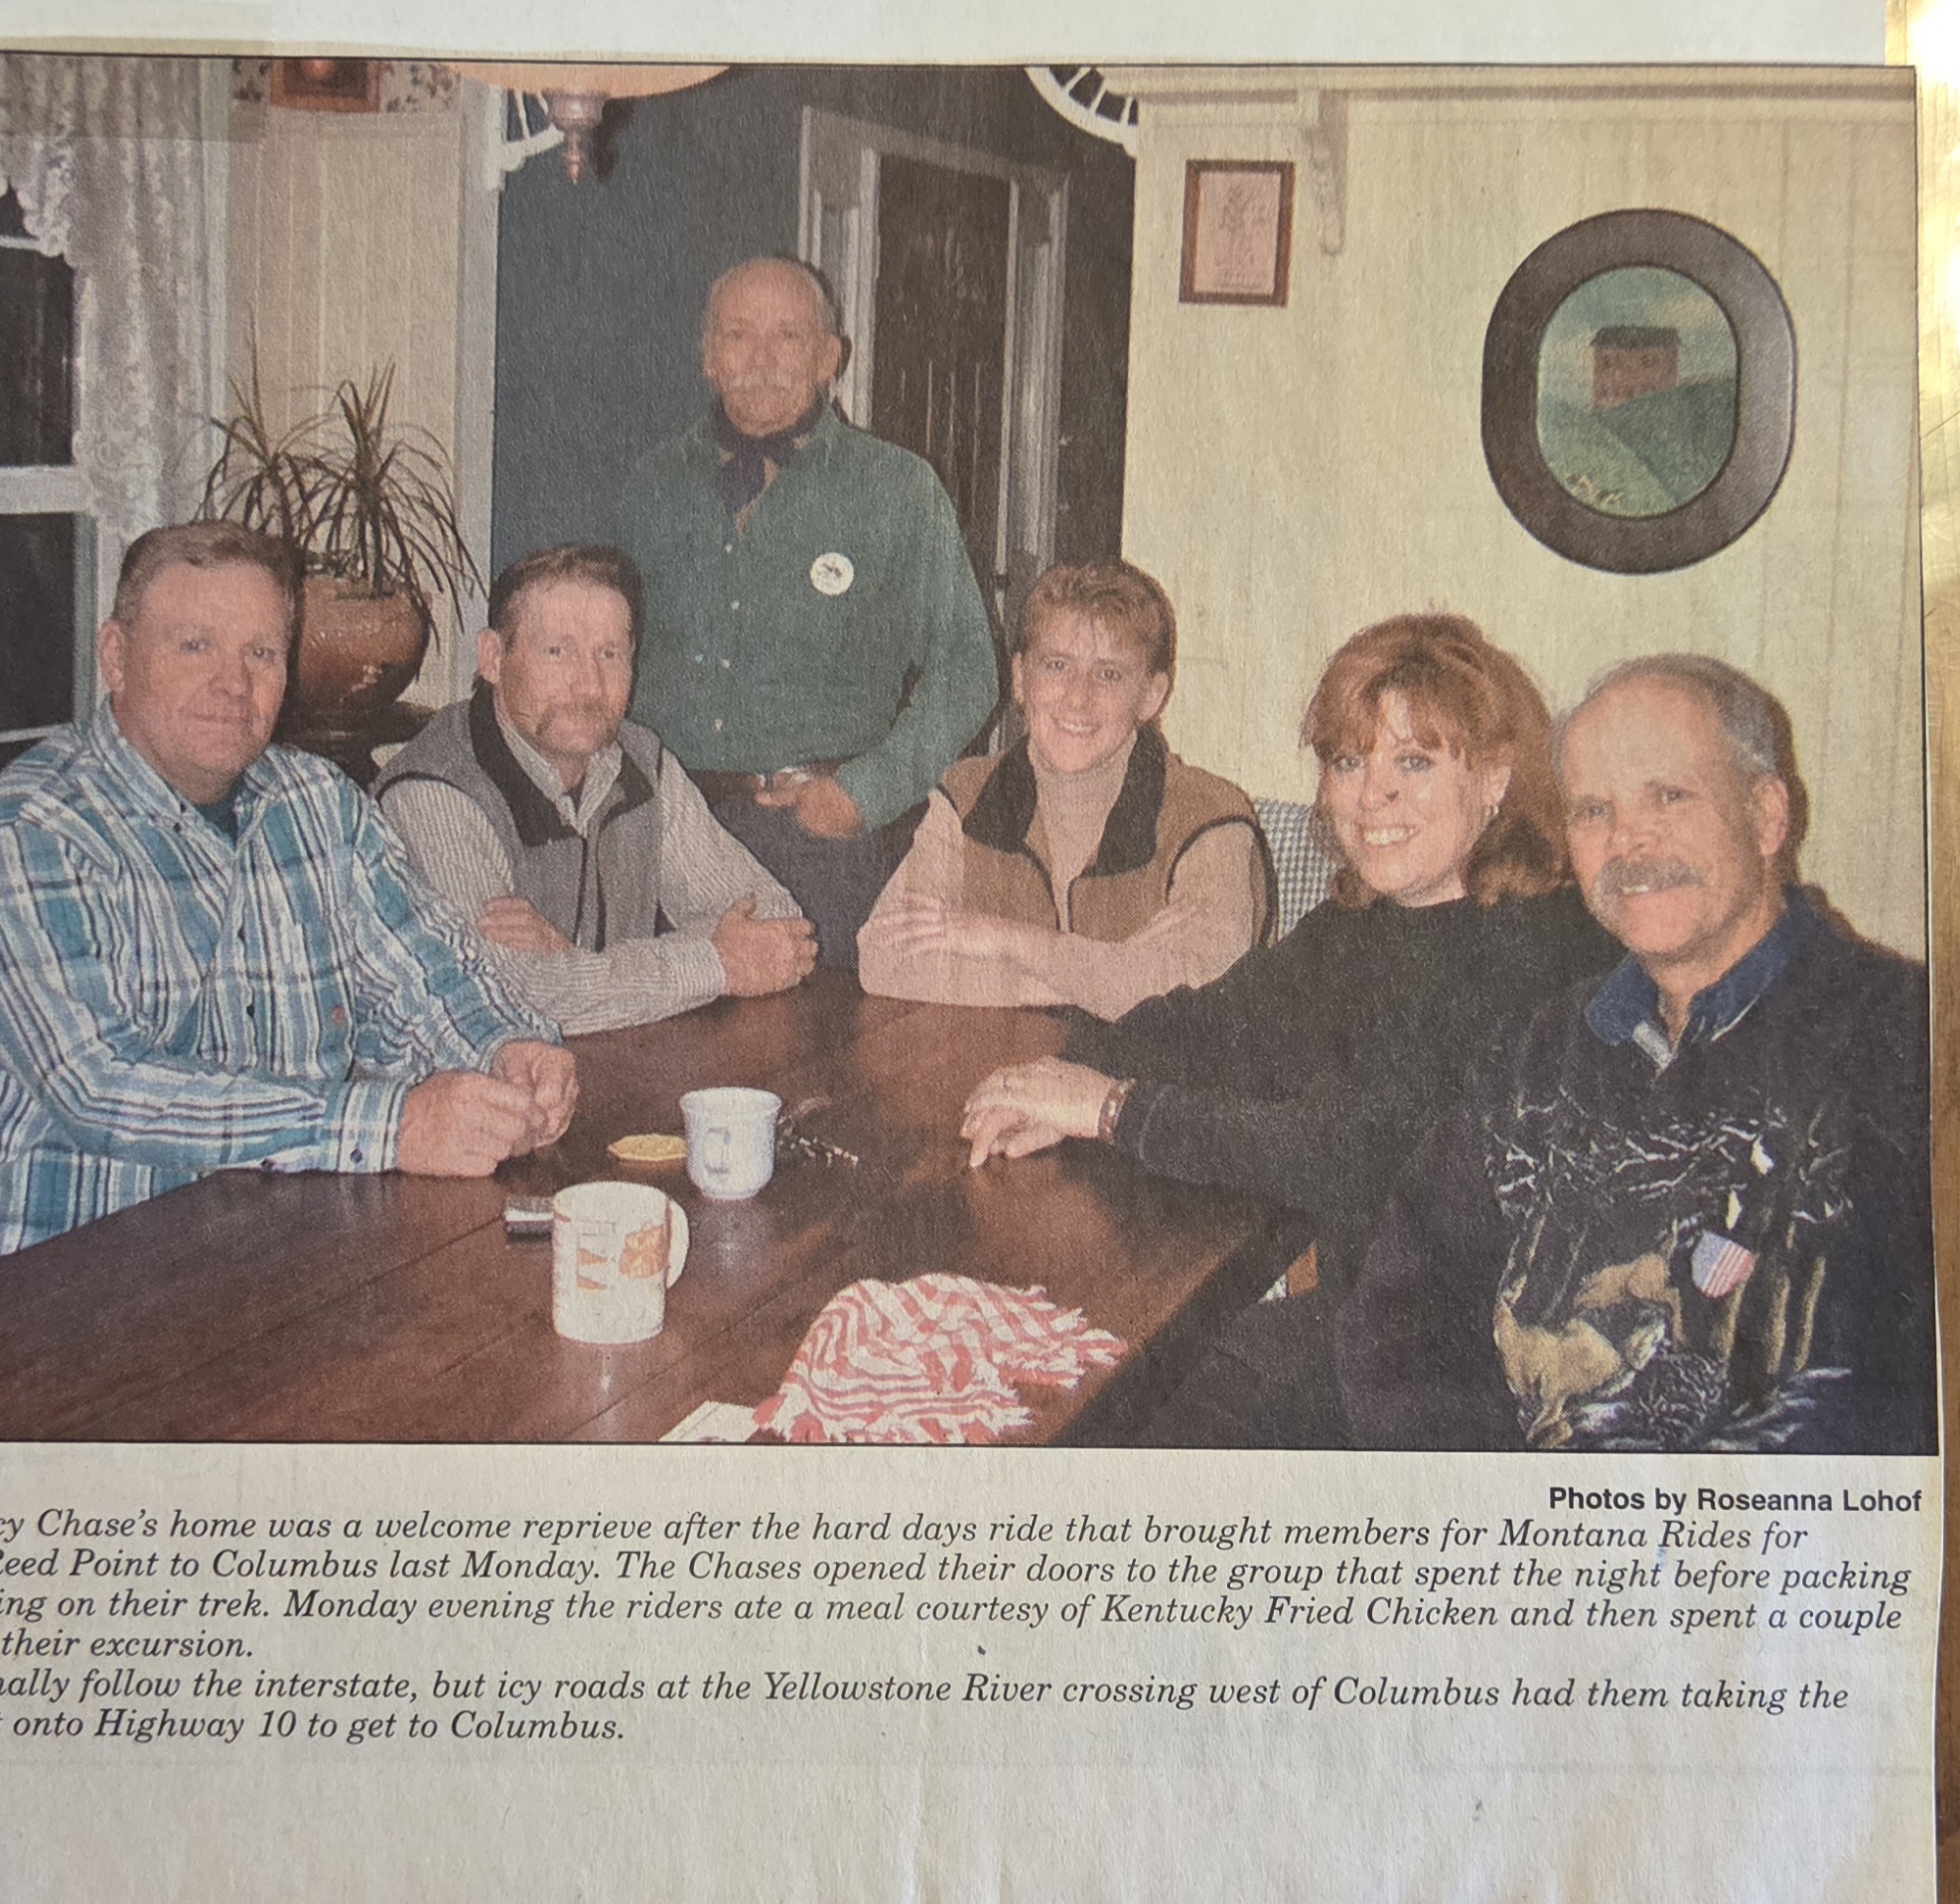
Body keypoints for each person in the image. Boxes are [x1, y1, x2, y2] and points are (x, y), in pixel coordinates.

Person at [956, 613, 1617, 1446]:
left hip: (1493, 1378)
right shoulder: (1367, 925)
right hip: (1380, 1325)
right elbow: (1215, 1026)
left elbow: (1350, 1150)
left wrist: (1112, 1108)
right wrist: (1055, 1080)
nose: (1372, 796)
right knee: (1068, 1383)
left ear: (1494, 777)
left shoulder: (1537, 946)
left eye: (1413, 762)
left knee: (1105, 1419)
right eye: (1349, 761)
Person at [0, 521, 577, 1291]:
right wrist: (392, 1125)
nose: (233, 684)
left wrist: (505, 1049)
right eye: (194, 646)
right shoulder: (25, 838)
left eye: (260, 653)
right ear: (116, 657)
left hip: (259, 1261)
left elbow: (429, 978)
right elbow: (104, 1089)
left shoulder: (317, 804)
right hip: (28, 1294)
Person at [1339, 657, 1932, 1454]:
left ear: (1766, 816)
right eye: (1594, 810)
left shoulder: (1907, 1049)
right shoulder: (1538, 1049)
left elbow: (1897, 1404)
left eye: (1670, 796)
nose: (1628, 841)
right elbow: (1401, 1313)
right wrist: (1496, 1504)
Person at [613, 255, 999, 965]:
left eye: (788, 337)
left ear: (829, 358)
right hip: (665, 837)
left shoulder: (897, 490)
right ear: (708, 357)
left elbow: (969, 669)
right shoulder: (649, 487)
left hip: (823, 848)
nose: (761, 359)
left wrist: (866, 794)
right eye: (738, 335)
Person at [373, 545, 815, 1035]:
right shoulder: (434, 792)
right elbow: (500, 994)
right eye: (557, 652)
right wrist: (714, 964)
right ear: (493, 659)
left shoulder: (642, 763)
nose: (588, 685)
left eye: (609, 654)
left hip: (617, 1062)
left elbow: (779, 925)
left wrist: (572, 962)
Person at [857, 560, 1271, 1020]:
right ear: (1020, 678)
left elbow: (1209, 983)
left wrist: (1010, 941)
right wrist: (1109, 978)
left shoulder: (1209, 815)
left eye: (1109, 674)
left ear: (1151, 696)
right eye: (1056, 666)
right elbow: (883, 960)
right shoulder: (967, 796)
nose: (1077, 697)